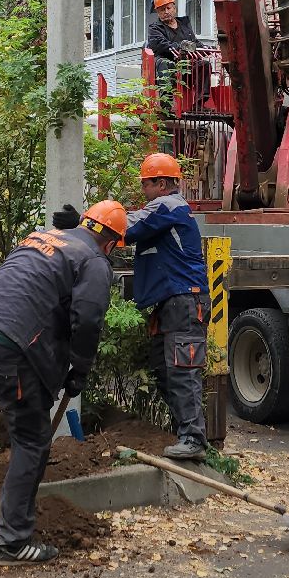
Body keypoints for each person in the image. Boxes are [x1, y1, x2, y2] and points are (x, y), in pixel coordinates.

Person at [0, 201, 125, 566]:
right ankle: (12, 542)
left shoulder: (41, 235)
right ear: (112, 243)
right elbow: (89, 319)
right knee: (32, 439)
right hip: (10, 345)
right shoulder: (94, 262)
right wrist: (79, 369)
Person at [124, 153, 208, 460]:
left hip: (184, 301)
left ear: (161, 183)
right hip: (173, 302)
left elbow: (126, 227)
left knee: (183, 370)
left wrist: (86, 223)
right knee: (164, 368)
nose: (142, 191)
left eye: (145, 184)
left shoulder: (167, 205)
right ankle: (186, 432)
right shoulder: (167, 208)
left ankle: (193, 439)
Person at [146, 0, 199, 105]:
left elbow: (195, 43)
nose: (166, 12)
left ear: (174, 7)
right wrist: (180, 47)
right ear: (158, 13)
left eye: (168, 8)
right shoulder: (155, 28)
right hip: (166, 66)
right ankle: (166, 103)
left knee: (204, 64)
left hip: (185, 67)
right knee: (164, 62)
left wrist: (206, 48)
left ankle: (200, 101)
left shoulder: (184, 25)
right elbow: (160, 45)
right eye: (162, 10)